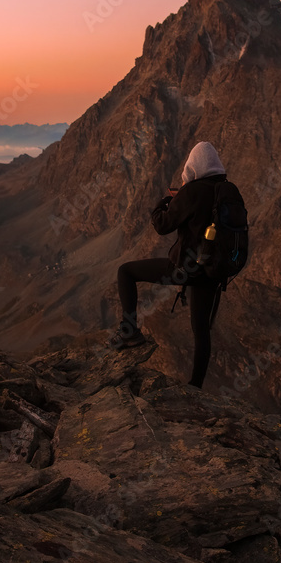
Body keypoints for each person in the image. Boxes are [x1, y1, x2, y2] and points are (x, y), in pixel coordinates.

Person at [107, 141, 226, 388]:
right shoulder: (226, 191)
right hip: (213, 272)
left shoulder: (191, 192)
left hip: (185, 270)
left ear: (193, 167)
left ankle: (129, 332)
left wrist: (163, 202)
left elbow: (162, 225)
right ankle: (196, 385)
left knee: (125, 271)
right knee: (201, 329)